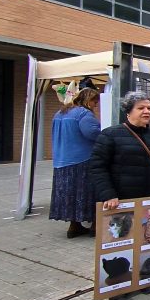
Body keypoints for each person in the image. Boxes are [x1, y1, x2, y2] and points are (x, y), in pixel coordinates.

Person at [90, 90, 150, 300]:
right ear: (128, 112)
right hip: (121, 204)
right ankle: (118, 287)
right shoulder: (110, 135)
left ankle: (147, 278)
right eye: (141, 108)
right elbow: (97, 167)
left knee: (149, 242)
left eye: (149, 108)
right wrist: (108, 194)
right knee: (120, 243)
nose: (147, 111)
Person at [49, 87, 101, 238]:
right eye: (94, 102)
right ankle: (95, 226)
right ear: (87, 100)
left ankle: (74, 226)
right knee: (89, 193)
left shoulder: (59, 113)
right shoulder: (84, 113)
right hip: (82, 160)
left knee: (69, 195)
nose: (96, 105)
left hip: (61, 162)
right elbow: (92, 133)